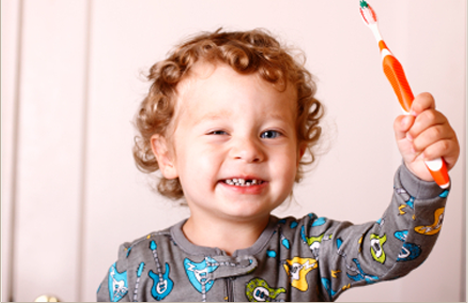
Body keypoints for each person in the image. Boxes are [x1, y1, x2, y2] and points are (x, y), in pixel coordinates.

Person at [97, 28, 459, 302]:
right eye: (219, 131)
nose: (248, 150)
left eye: (270, 133)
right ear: (167, 155)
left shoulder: (315, 250)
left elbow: (393, 252)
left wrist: (420, 176)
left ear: (300, 149)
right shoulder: (138, 268)